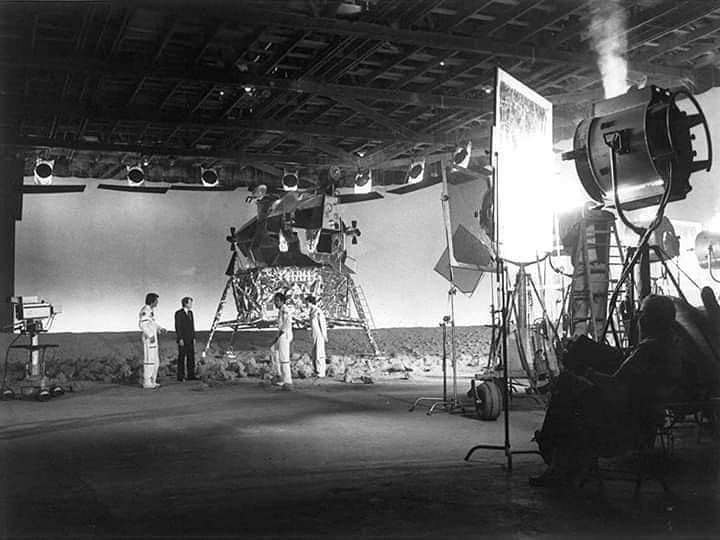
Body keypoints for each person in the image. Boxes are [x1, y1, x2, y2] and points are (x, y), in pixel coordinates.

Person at [530, 294, 682, 487]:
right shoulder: (669, 346)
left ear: (650, 319)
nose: (639, 318)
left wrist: (587, 373)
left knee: (566, 385)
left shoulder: (648, 350)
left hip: (623, 421)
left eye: (642, 313)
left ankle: (556, 460)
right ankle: (561, 460)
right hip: (645, 417)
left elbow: (615, 384)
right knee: (580, 364)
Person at [139, 293, 165, 389]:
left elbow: (152, 323)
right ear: (152, 301)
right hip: (149, 339)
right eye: (156, 301)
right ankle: (147, 381)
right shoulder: (145, 311)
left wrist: (160, 328)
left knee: (155, 360)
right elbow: (142, 325)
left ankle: (153, 380)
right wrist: (150, 335)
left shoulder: (150, 311)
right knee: (149, 360)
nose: (157, 303)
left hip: (153, 338)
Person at [270, 292, 293, 388]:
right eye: (275, 301)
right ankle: (279, 376)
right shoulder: (280, 310)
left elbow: (287, 324)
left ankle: (287, 381)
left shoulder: (285, 310)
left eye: (277, 301)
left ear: (282, 301)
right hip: (280, 335)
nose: (275, 303)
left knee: (284, 358)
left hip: (284, 335)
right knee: (273, 350)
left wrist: (279, 335)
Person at [174, 296, 196, 381]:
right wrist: (180, 339)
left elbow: (192, 326)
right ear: (185, 303)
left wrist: (193, 337)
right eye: (190, 303)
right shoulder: (178, 313)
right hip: (183, 339)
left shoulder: (191, 313)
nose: (191, 304)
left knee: (191, 357)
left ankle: (191, 375)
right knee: (182, 357)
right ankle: (181, 376)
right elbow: (178, 326)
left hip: (190, 339)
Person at [306, 295, 328, 377]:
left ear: (310, 302)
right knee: (315, 353)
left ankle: (322, 372)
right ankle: (317, 370)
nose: (306, 304)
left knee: (320, 352)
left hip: (319, 335)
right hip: (314, 335)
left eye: (307, 302)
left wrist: (324, 335)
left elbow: (322, 323)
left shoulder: (318, 311)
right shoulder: (311, 311)